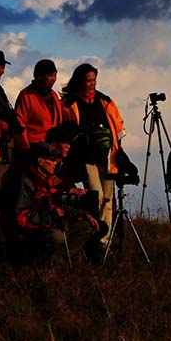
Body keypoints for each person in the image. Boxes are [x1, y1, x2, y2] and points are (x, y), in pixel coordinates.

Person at [61, 63, 124, 243]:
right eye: (88, 80)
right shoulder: (69, 103)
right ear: (80, 80)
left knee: (108, 199)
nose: (92, 84)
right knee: (96, 196)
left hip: (107, 157)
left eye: (94, 80)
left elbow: (118, 127)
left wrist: (118, 150)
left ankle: (104, 240)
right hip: (84, 157)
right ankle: (94, 236)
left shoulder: (105, 101)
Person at [14, 142, 99, 262]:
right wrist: (49, 217)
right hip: (36, 231)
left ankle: (59, 261)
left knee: (88, 226)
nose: (55, 163)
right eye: (51, 159)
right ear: (40, 161)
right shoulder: (26, 182)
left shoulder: (52, 180)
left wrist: (84, 214)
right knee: (57, 237)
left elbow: (61, 205)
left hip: (56, 225)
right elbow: (20, 217)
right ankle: (44, 262)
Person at [14, 59, 63, 153]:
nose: (53, 79)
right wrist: (25, 148)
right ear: (39, 76)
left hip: (52, 149)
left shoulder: (54, 95)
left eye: (54, 75)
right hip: (34, 149)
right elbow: (20, 124)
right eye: (50, 75)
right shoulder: (26, 96)